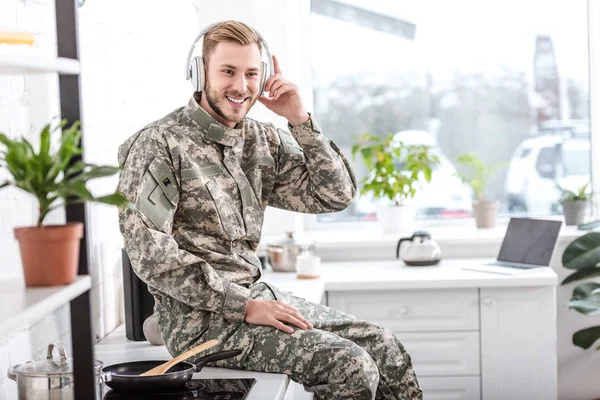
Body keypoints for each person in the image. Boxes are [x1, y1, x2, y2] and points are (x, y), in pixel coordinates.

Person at [117, 20, 422, 400]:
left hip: (259, 297)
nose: (240, 86)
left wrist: (300, 121)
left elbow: (335, 195)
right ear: (199, 73)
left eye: (250, 74)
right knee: (350, 364)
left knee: (383, 345)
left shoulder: (262, 140)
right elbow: (150, 255)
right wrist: (243, 305)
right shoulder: (159, 144)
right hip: (199, 322)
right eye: (227, 71)